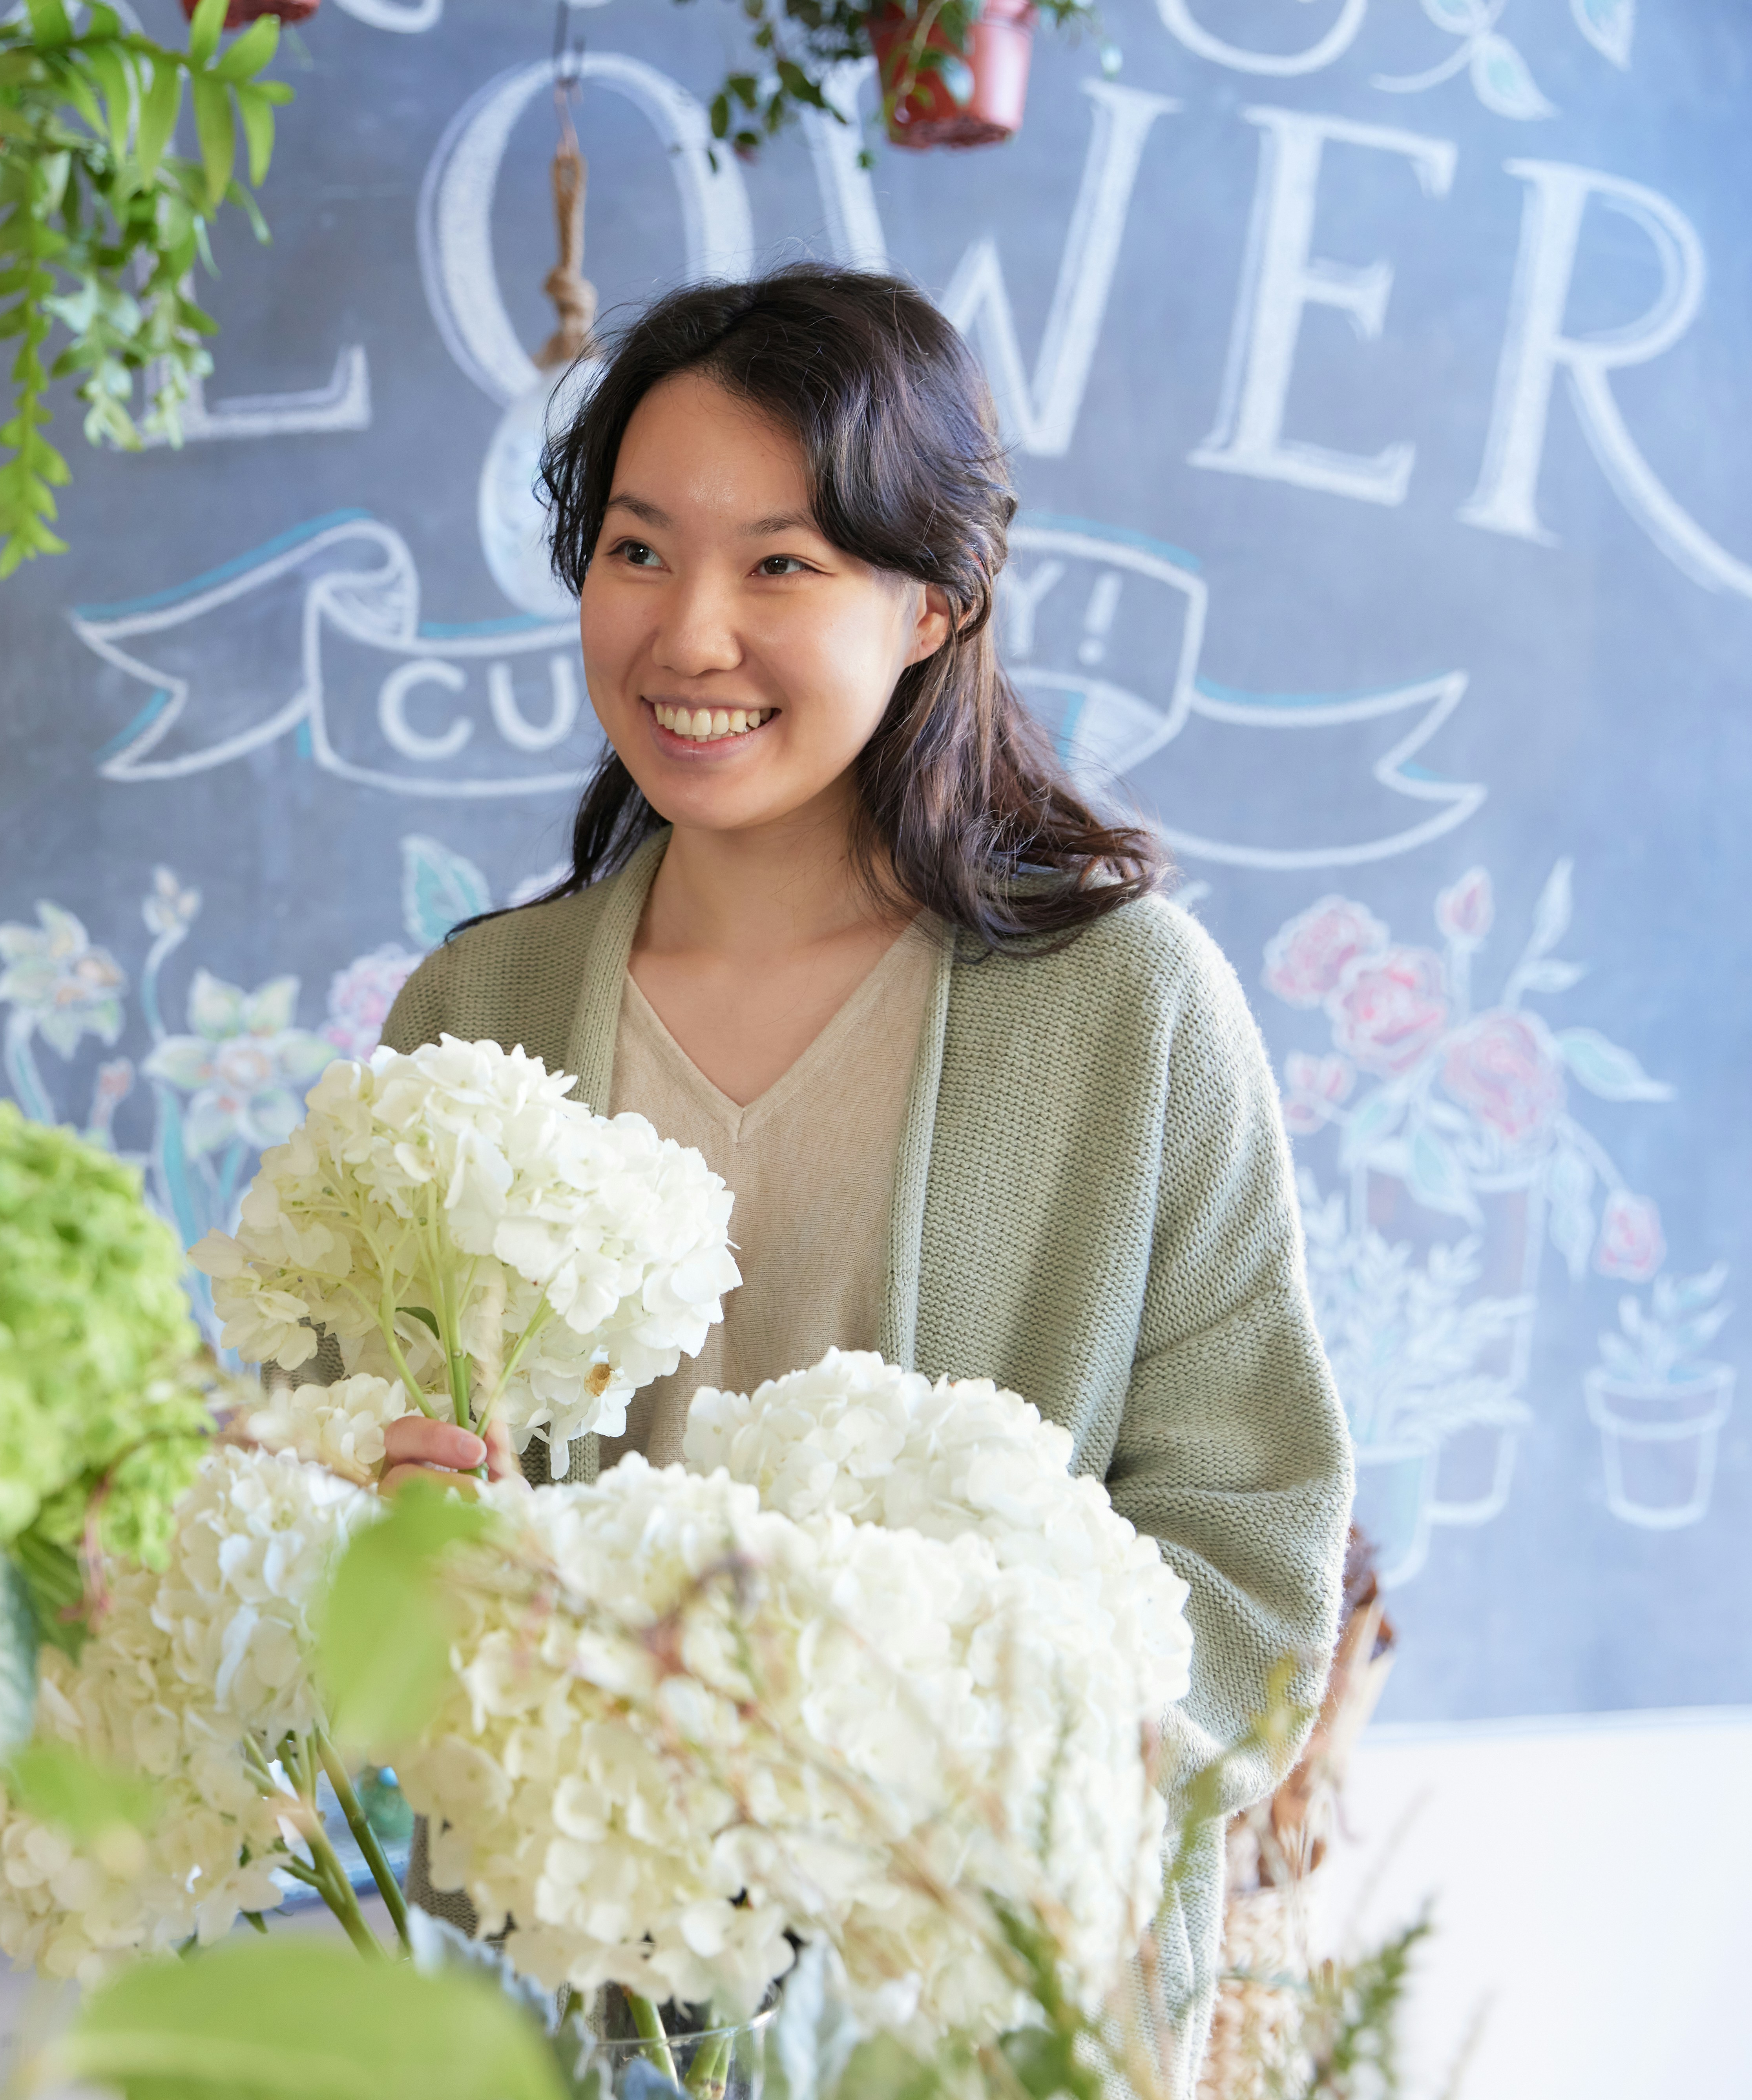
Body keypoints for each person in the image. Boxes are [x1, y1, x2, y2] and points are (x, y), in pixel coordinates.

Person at [369, 265, 1354, 2079]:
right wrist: (387, 1531)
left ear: (934, 601)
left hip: (970, 2023)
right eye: (638, 551)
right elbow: (351, 1497)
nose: (687, 638)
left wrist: (942, 1797)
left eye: (781, 567)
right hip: (568, 2012)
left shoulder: (1126, 1009)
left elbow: (1250, 1555)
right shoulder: (473, 1008)